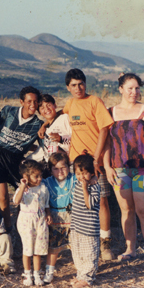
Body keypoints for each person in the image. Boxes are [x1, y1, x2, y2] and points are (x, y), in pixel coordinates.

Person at [103, 73, 144, 268]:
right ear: (120, 89)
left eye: (137, 88)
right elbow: (105, 143)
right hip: (119, 169)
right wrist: (106, 167)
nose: (134, 92)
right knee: (126, 210)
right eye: (130, 88)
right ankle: (130, 249)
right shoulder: (110, 112)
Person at [58, 68, 115, 260]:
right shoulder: (71, 103)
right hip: (76, 161)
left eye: (81, 83)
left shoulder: (95, 102)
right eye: (73, 85)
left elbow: (104, 130)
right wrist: (44, 125)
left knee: (102, 199)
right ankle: (83, 240)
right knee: (81, 200)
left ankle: (105, 242)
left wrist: (96, 158)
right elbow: (62, 112)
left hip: (95, 160)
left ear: (85, 84)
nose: (78, 88)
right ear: (68, 87)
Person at [0, 86, 44, 230]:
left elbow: (43, 148)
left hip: (17, 159)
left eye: (36, 102)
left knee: (25, 192)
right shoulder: (9, 111)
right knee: (2, 197)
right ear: (22, 102)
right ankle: (7, 227)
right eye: (29, 101)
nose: (32, 105)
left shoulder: (38, 125)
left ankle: (24, 227)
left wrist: (29, 158)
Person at [12, 160, 51, 286]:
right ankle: (27, 274)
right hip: (26, 222)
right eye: (36, 176)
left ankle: (37, 274)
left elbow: (46, 204)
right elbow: (16, 201)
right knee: (28, 249)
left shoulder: (43, 188)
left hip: (40, 220)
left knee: (37, 250)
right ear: (26, 177)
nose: (39, 178)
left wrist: (48, 214)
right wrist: (22, 187)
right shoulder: (23, 189)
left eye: (40, 175)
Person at [43, 152, 76, 284]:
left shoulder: (75, 178)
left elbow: (88, 178)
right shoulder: (46, 182)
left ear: (69, 167)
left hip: (73, 217)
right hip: (55, 218)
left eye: (63, 167)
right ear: (50, 170)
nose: (60, 171)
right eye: (55, 168)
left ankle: (81, 271)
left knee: (76, 246)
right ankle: (49, 272)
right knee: (53, 247)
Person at [70, 154, 101, 287]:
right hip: (77, 226)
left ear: (92, 173)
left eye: (84, 173)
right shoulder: (77, 183)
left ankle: (87, 278)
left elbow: (90, 204)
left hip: (88, 228)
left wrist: (85, 188)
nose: (81, 177)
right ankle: (81, 274)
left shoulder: (94, 187)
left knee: (89, 253)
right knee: (77, 253)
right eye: (78, 173)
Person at [28, 93, 72, 166]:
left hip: (64, 163)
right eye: (42, 108)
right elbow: (45, 150)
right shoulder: (46, 129)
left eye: (48, 105)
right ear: (40, 113)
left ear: (55, 105)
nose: (47, 109)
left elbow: (75, 138)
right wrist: (28, 159)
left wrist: (61, 138)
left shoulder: (64, 118)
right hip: (49, 163)